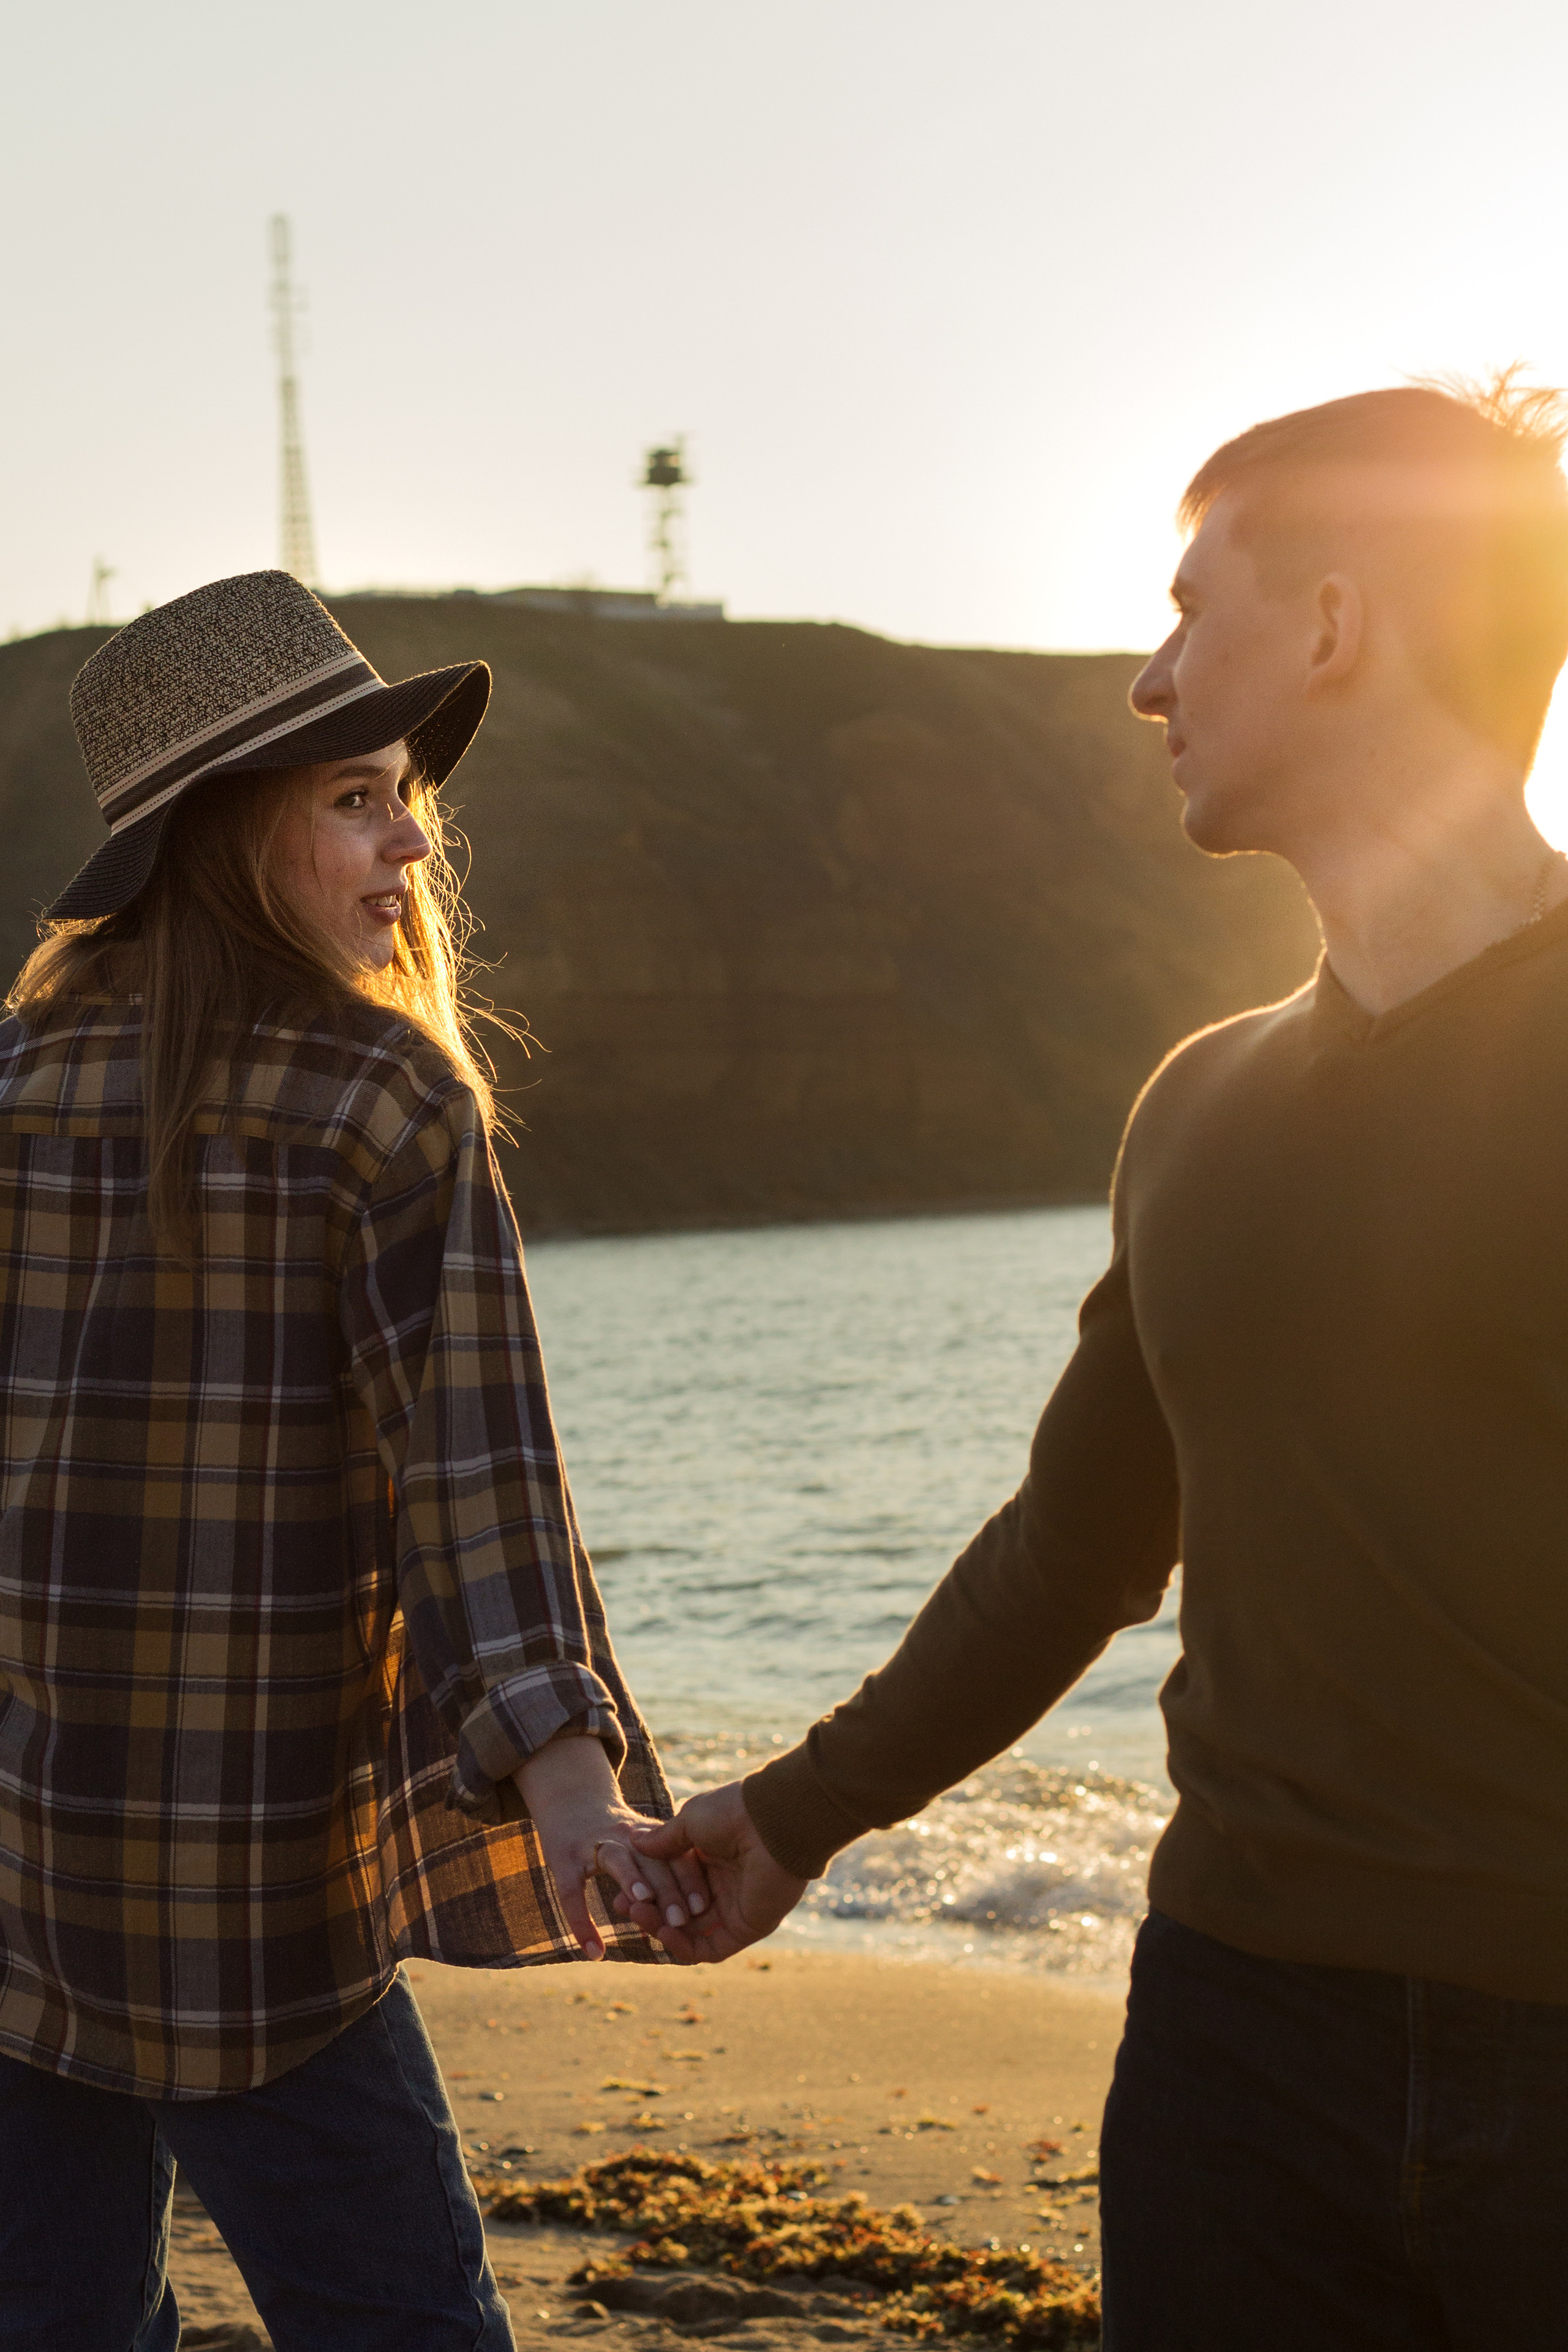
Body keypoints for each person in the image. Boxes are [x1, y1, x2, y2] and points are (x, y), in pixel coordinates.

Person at [636, 374, 1568, 2348]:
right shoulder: (1197, 1109)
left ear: (1332, 625)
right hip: (1235, 2048)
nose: (1148, 683)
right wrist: (795, 1813)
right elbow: (1074, 1550)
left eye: (1189, 609)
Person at [0, 571, 706, 2351]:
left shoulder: (5, 1082)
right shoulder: (386, 1103)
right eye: (354, 796)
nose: (411, 842)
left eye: (409, 792)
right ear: (232, 829)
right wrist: (569, 1788)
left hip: (20, 1883)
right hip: (255, 1910)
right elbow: (484, 1483)